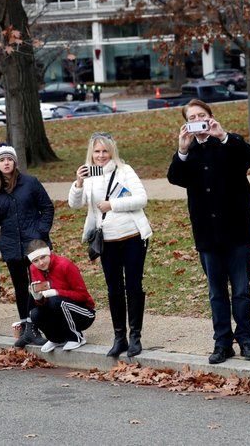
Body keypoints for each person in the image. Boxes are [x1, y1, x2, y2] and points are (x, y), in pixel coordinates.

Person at [166, 99, 250, 364]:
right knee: (216, 291)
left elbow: (249, 157)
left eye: (201, 115)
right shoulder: (189, 152)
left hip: (238, 231)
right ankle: (222, 342)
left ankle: (246, 339)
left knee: (241, 289)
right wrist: (182, 150)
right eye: (191, 117)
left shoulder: (229, 143)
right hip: (207, 234)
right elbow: (175, 177)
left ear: (211, 117)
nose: (197, 120)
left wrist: (223, 135)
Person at [69, 132, 152, 357]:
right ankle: (119, 337)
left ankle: (135, 335)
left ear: (112, 151)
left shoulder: (125, 170)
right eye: (97, 151)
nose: (101, 155)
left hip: (132, 236)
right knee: (114, 288)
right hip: (107, 241)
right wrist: (78, 182)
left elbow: (141, 199)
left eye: (105, 151)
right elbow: (75, 204)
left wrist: (112, 205)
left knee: (133, 286)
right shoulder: (88, 175)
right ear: (91, 153)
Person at [0, 144, 54, 347]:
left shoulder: (30, 182)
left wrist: (41, 232)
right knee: (21, 288)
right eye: (1, 160)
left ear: (15, 161)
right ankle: (27, 328)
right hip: (11, 246)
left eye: (9, 159)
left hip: (34, 243)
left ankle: (43, 325)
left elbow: (47, 207)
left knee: (38, 286)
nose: (6, 163)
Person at [26, 239, 96, 352]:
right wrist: (38, 298)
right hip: (58, 311)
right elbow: (42, 302)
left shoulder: (65, 265)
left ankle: (76, 337)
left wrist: (57, 292)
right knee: (35, 313)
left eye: (43, 257)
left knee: (56, 301)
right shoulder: (34, 269)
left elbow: (83, 295)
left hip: (84, 312)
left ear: (49, 253)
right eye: (35, 260)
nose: (41, 263)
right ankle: (56, 339)